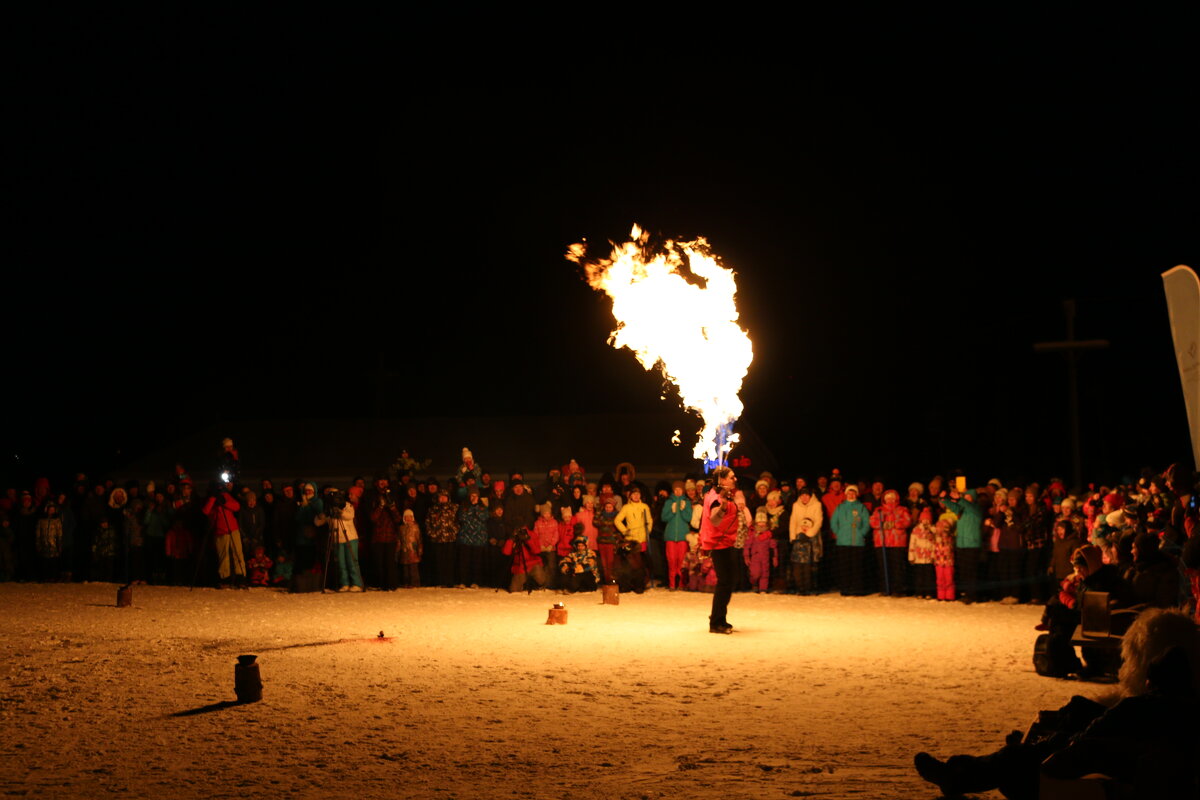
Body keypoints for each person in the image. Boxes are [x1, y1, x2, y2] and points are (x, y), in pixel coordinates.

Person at [913, 608, 1200, 799]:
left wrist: (1056, 747)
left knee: (1021, 759)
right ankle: (965, 771)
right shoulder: (1188, 708)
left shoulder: (1140, 707)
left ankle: (959, 774)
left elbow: (1090, 740)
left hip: (1103, 771)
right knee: (1066, 722)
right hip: (1124, 763)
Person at [700, 467, 739, 633]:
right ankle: (716, 622)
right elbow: (715, 520)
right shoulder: (716, 499)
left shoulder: (716, 494)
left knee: (727, 582)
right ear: (722, 481)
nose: (734, 479)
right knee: (724, 583)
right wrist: (723, 507)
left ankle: (719, 617)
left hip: (724, 542)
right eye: (731, 477)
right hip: (718, 544)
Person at [202, 481, 246, 588]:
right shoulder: (210, 499)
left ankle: (240, 578)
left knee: (238, 553)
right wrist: (213, 498)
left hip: (232, 529)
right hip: (220, 530)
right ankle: (225, 579)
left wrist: (224, 502)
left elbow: (237, 506)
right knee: (223, 556)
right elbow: (205, 511)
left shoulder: (225, 496)